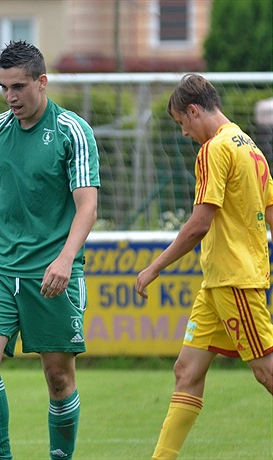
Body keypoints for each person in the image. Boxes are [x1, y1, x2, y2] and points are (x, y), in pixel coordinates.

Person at [0, 40, 100, 460]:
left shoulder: (71, 131)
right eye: (4, 87)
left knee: (59, 379)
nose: (10, 97)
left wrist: (65, 259)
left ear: (42, 82)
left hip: (52, 273)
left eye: (19, 87)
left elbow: (88, 206)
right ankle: (1, 454)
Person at [135, 73, 273, 460]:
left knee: (266, 372)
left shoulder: (214, 149)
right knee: (187, 370)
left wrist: (154, 267)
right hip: (218, 283)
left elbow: (200, 222)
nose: (184, 134)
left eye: (182, 124)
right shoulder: (250, 146)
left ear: (194, 111)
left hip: (234, 280)